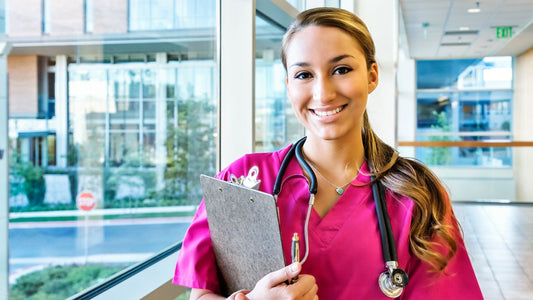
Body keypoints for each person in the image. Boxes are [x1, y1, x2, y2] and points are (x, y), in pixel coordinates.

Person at [173, 7, 483, 300]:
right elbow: (200, 294)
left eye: (341, 69)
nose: (323, 93)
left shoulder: (417, 194)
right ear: (288, 85)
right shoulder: (243, 181)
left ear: (372, 75)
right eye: (304, 75)